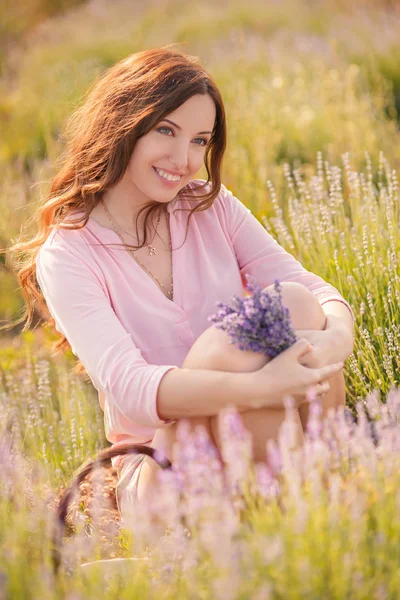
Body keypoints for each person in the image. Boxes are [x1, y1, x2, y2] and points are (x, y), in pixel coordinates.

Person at [7, 46, 354, 528]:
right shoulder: (69, 253)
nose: (183, 159)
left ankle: (303, 518)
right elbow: (130, 388)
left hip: (255, 430)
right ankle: (313, 517)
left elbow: (305, 287)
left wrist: (337, 337)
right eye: (166, 131)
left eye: (199, 141)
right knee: (250, 345)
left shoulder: (209, 205)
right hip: (166, 465)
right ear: (124, 125)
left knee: (293, 302)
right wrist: (256, 387)